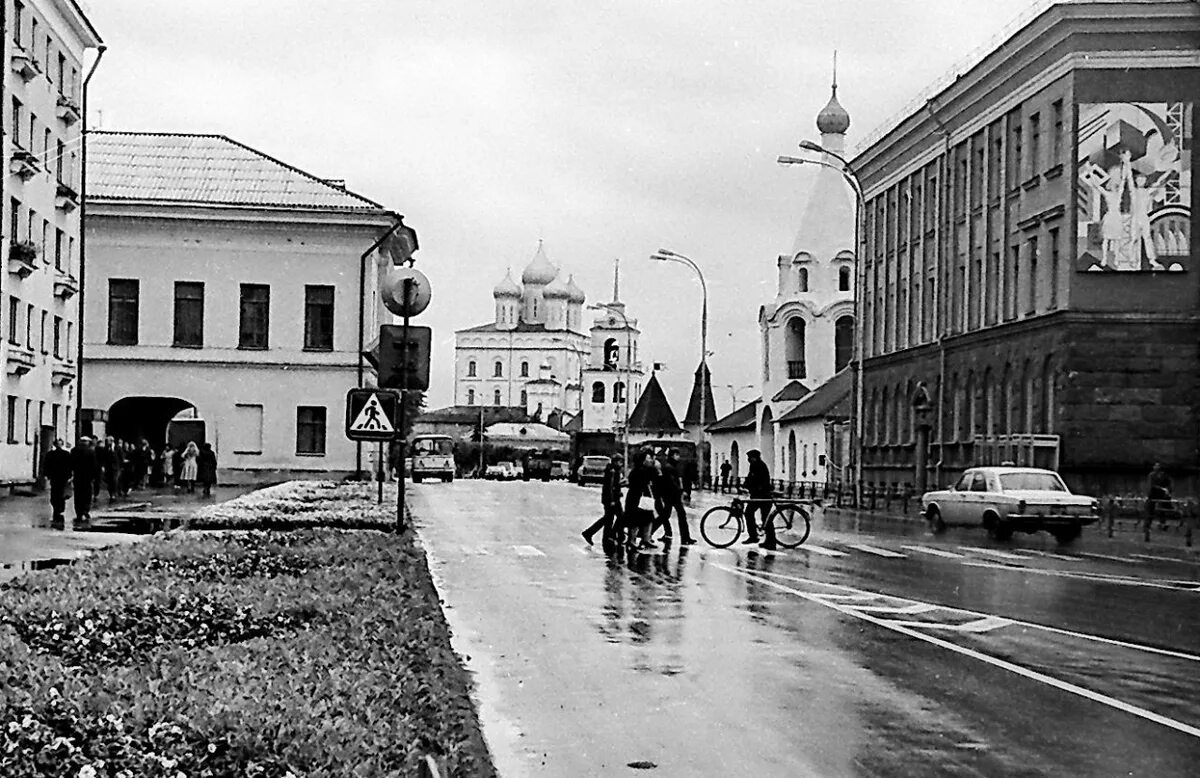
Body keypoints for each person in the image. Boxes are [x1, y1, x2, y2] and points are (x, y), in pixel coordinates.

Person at [653, 450, 695, 545]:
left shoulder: (670, 466)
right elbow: (672, 483)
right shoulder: (669, 467)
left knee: (666, 515)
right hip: (672, 495)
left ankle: (685, 538)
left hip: (670, 495)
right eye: (676, 455)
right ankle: (685, 538)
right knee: (679, 515)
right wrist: (681, 491)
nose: (678, 457)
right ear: (672, 455)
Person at [582, 453, 623, 546]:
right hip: (611, 499)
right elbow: (611, 486)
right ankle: (607, 536)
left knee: (610, 518)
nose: (621, 464)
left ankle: (607, 536)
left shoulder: (613, 470)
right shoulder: (612, 471)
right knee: (613, 518)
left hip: (611, 498)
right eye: (620, 462)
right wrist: (612, 499)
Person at [623, 449, 659, 550]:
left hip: (644, 498)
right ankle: (632, 540)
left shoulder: (648, 470)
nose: (650, 460)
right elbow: (637, 484)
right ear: (643, 460)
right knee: (634, 519)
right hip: (636, 498)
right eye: (648, 458)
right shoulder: (637, 471)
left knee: (648, 519)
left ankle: (646, 539)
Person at [742, 449, 777, 549]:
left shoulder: (759, 466)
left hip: (763, 495)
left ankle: (759, 538)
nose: (748, 459)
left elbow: (756, 479)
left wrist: (748, 485)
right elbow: (750, 477)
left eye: (750, 457)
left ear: (755, 457)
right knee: (763, 517)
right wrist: (746, 484)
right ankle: (767, 540)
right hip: (758, 495)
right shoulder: (754, 465)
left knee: (753, 514)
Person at [70, 436, 98, 523]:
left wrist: (71, 474)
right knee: (87, 494)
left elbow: (71, 464)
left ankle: (78, 513)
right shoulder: (91, 452)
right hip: (87, 477)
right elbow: (94, 465)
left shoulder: (74, 451)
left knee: (78, 495)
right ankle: (85, 511)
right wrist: (94, 477)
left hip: (78, 476)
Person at [43, 439, 72, 522]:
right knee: (58, 492)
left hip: (58, 477)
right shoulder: (64, 454)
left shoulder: (51, 454)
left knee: (56, 492)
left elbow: (69, 466)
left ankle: (57, 507)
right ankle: (59, 507)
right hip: (59, 477)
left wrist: (46, 474)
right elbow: (46, 465)